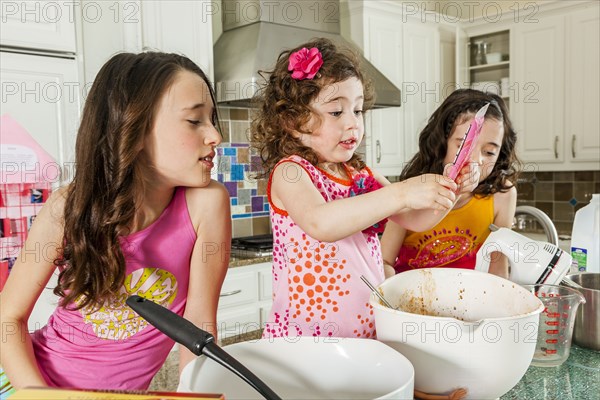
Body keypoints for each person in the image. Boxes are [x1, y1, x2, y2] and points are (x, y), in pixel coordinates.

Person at [0, 52, 231, 391]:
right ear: (134, 130)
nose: (215, 136)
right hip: (29, 385)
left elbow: (197, 329)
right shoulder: (68, 207)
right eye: (195, 121)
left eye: (212, 119)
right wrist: (42, 398)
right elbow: (8, 318)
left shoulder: (207, 204)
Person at [250, 38, 479, 339]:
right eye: (336, 112)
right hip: (304, 342)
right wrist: (401, 192)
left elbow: (416, 219)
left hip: (364, 335)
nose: (353, 124)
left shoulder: (359, 175)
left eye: (357, 111)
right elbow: (321, 222)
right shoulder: (291, 172)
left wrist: (451, 190)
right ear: (293, 121)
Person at [381, 89, 521, 279]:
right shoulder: (413, 191)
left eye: (489, 152)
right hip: (412, 301)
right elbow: (384, 261)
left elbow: (497, 270)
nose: (476, 159)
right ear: (442, 143)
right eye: (464, 145)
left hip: (470, 303)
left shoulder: (502, 196)